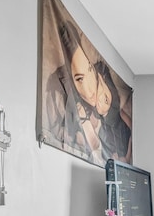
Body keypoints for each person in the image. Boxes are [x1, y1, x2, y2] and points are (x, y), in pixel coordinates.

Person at [44, 20, 132, 165]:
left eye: (90, 70)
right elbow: (91, 146)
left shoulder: (104, 76)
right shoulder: (75, 106)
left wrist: (128, 157)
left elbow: (127, 121)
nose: (90, 89)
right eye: (79, 79)